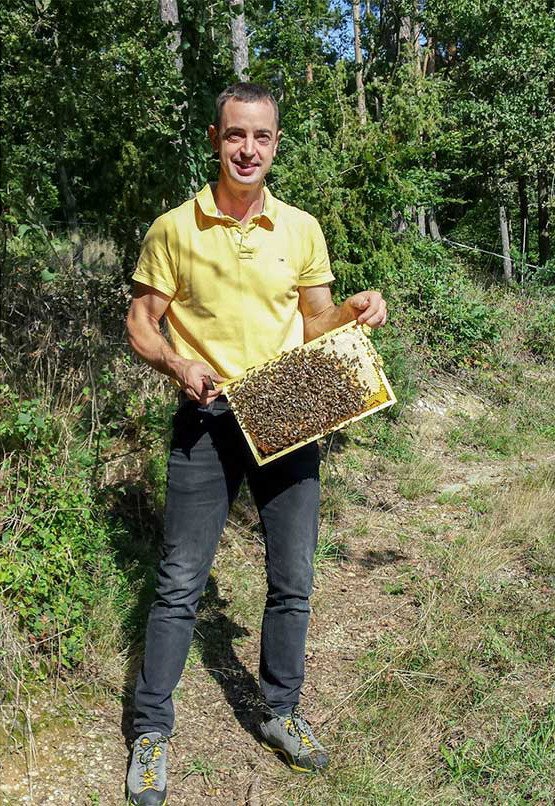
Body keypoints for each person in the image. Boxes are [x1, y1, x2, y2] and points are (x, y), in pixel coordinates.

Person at [125, 82, 387, 805]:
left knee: (292, 578)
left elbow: (314, 322)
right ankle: (151, 732)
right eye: (236, 135)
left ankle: (280, 711)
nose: (248, 149)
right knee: (180, 582)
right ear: (216, 139)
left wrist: (354, 309)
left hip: (286, 409)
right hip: (208, 416)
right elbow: (142, 321)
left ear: (275, 144)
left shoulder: (300, 228)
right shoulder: (174, 228)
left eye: (261, 137)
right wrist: (177, 363)